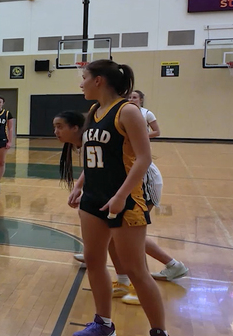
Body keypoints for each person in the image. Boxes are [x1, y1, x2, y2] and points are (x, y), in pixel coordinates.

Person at [63, 59, 172, 336]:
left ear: (99, 80)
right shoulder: (94, 112)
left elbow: (143, 158)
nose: (81, 83)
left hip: (124, 200)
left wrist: (122, 196)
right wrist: (80, 184)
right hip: (93, 198)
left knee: (135, 270)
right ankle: (103, 324)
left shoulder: (128, 111)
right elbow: (94, 156)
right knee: (95, 262)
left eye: (84, 78)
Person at [55, 110, 190, 298]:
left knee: (129, 234)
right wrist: (79, 187)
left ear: (76, 128)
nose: (55, 131)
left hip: (143, 181)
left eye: (59, 126)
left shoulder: (94, 136)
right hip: (120, 183)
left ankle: (153, 278)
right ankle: (124, 280)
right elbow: (93, 167)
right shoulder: (83, 142)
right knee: (111, 231)